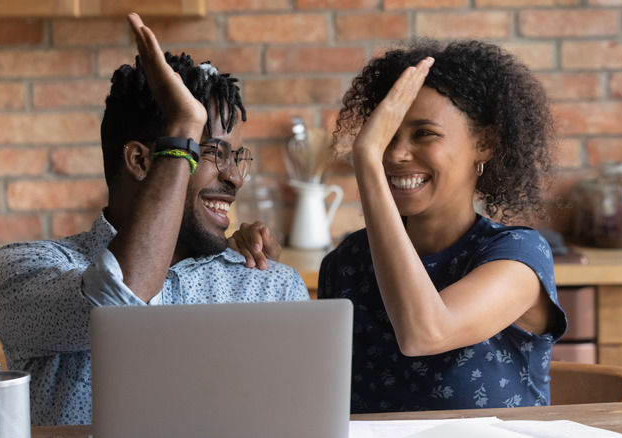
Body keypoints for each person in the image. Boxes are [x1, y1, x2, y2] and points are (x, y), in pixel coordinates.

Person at [0, 13, 308, 426]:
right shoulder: (24, 271)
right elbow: (121, 298)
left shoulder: (270, 285)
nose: (236, 177)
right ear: (141, 161)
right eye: (211, 152)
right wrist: (183, 128)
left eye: (236, 156)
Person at [232, 38, 568, 413]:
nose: (395, 155)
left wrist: (366, 158)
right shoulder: (348, 262)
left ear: (485, 142)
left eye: (424, 133)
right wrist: (264, 275)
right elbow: (305, 392)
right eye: (386, 137)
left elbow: (425, 333)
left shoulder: (518, 258)